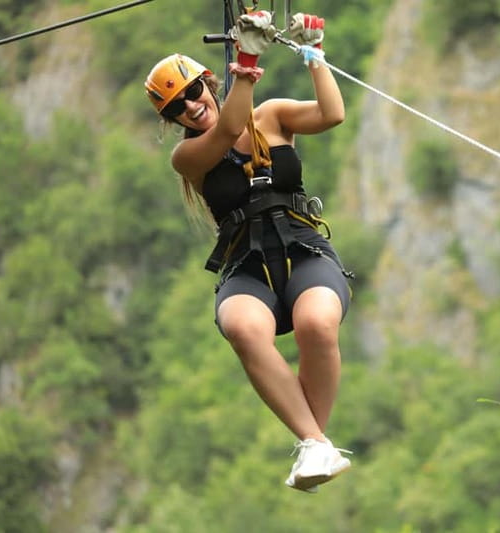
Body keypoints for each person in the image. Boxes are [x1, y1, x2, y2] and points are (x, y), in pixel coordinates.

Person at [144, 11, 352, 493]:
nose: (192, 106)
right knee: (241, 325)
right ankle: (315, 441)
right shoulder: (188, 157)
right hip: (246, 265)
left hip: (302, 250)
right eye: (178, 106)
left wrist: (314, 55)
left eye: (194, 92)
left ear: (207, 83)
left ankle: (313, 444)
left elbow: (332, 114)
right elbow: (224, 132)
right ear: (172, 120)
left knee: (317, 324)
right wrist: (248, 58)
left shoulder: (273, 115)